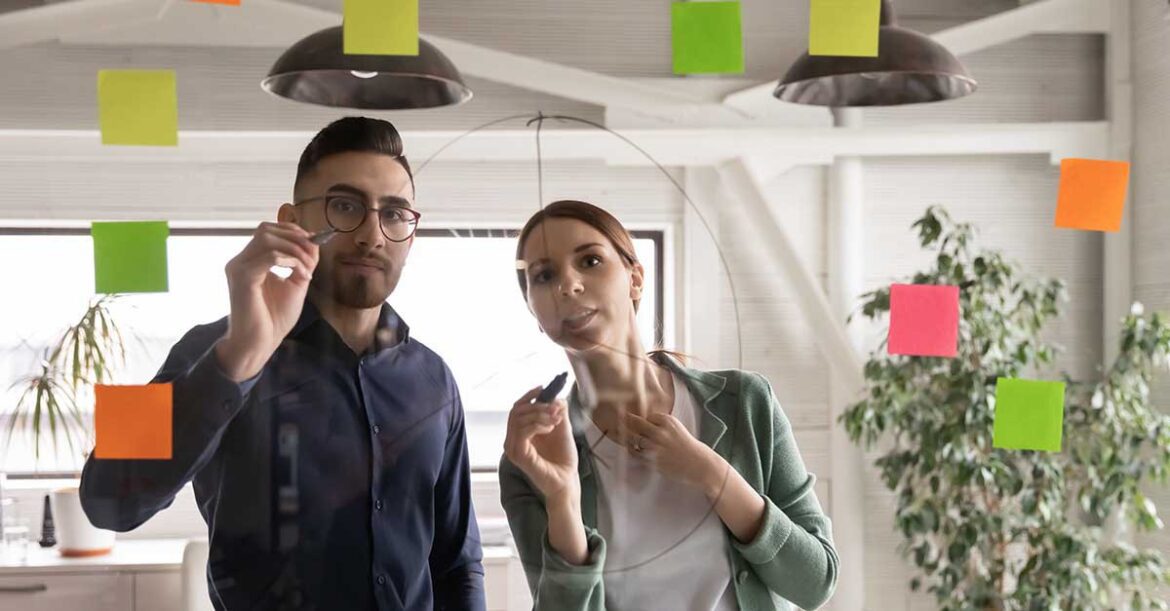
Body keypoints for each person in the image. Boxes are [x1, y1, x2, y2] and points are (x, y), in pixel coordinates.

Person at [80, 117, 485, 611]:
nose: (372, 235)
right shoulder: (207, 348)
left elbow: (457, 561)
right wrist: (238, 358)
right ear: (292, 221)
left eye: (395, 214)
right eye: (345, 206)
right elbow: (104, 500)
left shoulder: (435, 378)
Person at [499, 200, 838, 610]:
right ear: (535, 313)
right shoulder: (531, 458)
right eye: (544, 275)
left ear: (635, 278)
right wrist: (562, 499)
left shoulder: (745, 403)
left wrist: (713, 474)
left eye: (589, 260)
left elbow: (816, 583)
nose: (567, 285)